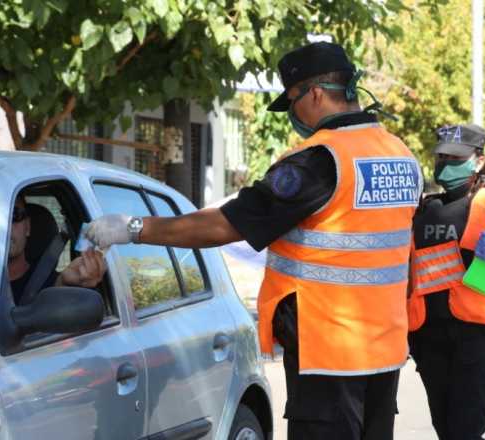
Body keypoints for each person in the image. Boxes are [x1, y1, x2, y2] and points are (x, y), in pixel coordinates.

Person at [83, 42, 422, 440]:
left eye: (293, 100)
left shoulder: (320, 161)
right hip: (383, 354)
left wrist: (134, 229)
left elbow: (226, 225)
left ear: (314, 94)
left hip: (329, 353)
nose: (293, 113)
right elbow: (402, 252)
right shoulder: (399, 154)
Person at [407, 124, 485, 440]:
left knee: (464, 432)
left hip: (476, 340)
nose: (445, 164)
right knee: (447, 431)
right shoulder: (422, 210)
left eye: (455, 157)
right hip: (430, 340)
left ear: (478, 161)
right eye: (441, 156)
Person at [8, 195, 106, 304]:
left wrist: (64, 284)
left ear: (27, 227)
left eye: (14, 215)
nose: (5, 225)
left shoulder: (54, 283)